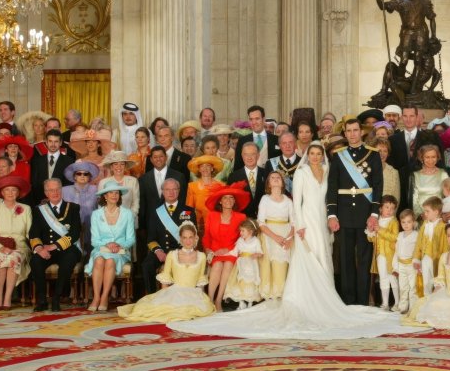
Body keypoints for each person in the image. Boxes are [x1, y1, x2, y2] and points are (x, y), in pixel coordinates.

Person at [169, 142, 429, 340]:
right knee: (310, 256)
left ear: (322, 156)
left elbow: (331, 198)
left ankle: (328, 295)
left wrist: (331, 216)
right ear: (308, 156)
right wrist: (300, 226)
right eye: (312, 154)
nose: (315, 157)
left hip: (325, 219)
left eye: (318, 154)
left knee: (325, 257)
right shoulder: (303, 172)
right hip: (307, 221)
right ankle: (307, 299)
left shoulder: (327, 170)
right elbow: (299, 201)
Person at [327, 119, 384, 306]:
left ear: (362, 132)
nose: (352, 134)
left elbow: (377, 185)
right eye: (349, 131)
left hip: (365, 213)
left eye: (355, 130)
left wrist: (374, 213)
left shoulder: (373, 155)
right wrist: (332, 214)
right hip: (343, 214)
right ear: (345, 134)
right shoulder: (338, 155)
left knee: (365, 259)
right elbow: (333, 186)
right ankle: (348, 301)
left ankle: (362, 301)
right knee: (345, 259)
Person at [118, 222, 215, 323]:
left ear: (195, 238)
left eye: (190, 237)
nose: (188, 241)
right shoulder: (172, 255)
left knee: (199, 311)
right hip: (174, 292)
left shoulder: (201, 256)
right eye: (184, 237)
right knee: (160, 310)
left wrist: (201, 298)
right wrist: (163, 297)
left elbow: (200, 282)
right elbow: (165, 278)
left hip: (194, 293)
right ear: (180, 239)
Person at [28, 179, 84, 312]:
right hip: (46, 249)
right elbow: (33, 233)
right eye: (51, 190)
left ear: (61, 190)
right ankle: (42, 299)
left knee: (68, 260)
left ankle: (56, 298)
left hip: (67, 249)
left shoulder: (73, 208)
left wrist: (55, 246)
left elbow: (75, 232)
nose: (55, 192)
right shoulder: (39, 210)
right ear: (46, 193)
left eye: (57, 189)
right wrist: (39, 248)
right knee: (35, 261)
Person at [0, 175, 33, 311]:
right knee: (4, 258)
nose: (10, 193)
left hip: (20, 247)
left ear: (18, 193)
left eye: (13, 190)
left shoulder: (26, 208)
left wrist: (35, 246)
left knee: (13, 258)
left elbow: (30, 233)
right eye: (7, 190)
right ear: (2, 193)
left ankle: (7, 297)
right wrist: (0, 248)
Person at [85, 178, 137, 312]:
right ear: (105, 196)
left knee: (110, 261)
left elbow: (131, 239)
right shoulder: (96, 215)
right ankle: (96, 297)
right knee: (99, 260)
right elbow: (94, 241)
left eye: (117, 193)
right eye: (111, 193)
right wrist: (108, 244)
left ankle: (104, 297)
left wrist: (118, 245)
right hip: (100, 249)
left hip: (120, 251)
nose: (114, 195)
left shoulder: (127, 214)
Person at [140, 177, 196, 297]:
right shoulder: (155, 212)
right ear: (163, 191)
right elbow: (151, 239)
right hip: (161, 251)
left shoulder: (188, 211)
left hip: (181, 250)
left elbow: (193, 237)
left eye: (174, 189)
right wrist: (158, 251)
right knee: (147, 264)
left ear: (179, 191)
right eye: (167, 189)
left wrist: (181, 252)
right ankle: (152, 297)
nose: (171, 192)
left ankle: (183, 296)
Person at [204, 182, 251, 309]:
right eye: (225, 198)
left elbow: (243, 239)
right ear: (220, 201)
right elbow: (207, 236)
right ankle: (209, 299)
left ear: (234, 201)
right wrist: (208, 250)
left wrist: (228, 250)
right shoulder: (212, 216)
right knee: (218, 265)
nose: (228, 200)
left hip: (232, 251)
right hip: (214, 252)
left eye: (231, 198)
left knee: (228, 264)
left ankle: (219, 300)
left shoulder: (241, 217)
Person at [257, 170, 295, 300]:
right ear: (268, 183)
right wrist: (275, 237)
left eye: (278, 177)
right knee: (271, 261)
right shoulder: (265, 199)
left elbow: (294, 222)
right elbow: (261, 222)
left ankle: (283, 291)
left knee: (283, 261)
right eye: (272, 177)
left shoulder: (288, 201)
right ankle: (271, 292)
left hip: (286, 232)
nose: (275, 179)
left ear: (283, 182)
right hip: (269, 233)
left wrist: (289, 238)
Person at [139, 145, 189, 232]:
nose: (158, 159)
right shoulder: (143, 179)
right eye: (155, 157)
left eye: (161, 156)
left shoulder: (179, 176)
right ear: (151, 159)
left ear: (166, 157)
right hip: (151, 225)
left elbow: (183, 200)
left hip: (173, 223)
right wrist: (142, 226)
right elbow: (143, 204)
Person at [224, 219, 266, 307]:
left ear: (250, 231)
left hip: (251, 264)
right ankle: (241, 301)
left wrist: (256, 254)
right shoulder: (240, 240)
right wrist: (224, 254)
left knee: (250, 282)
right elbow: (234, 252)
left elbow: (260, 252)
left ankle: (250, 301)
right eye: (240, 231)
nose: (241, 233)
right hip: (241, 264)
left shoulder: (255, 241)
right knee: (241, 280)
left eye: (243, 231)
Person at [61, 160, 100, 254]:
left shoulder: (96, 190)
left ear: (89, 176)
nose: (82, 176)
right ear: (74, 176)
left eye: (86, 174)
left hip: (91, 228)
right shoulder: (64, 190)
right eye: (79, 173)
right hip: (69, 229)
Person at [414, 196, 448, 298]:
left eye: (427, 211)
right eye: (425, 211)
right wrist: (416, 258)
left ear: (436, 212)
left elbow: (445, 247)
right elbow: (419, 243)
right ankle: (426, 301)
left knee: (436, 282)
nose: (425, 213)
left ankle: (435, 304)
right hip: (425, 258)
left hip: (437, 260)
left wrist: (444, 262)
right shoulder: (425, 224)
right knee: (426, 281)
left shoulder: (443, 227)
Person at [370, 195, 400, 311]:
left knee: (392, 277)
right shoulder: (377, 220)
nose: (389, 210)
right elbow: (374, 239)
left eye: (392, 208)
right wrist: (371, 233)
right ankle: (385, 303)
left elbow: (395, 237)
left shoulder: (394, 222)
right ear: (380, 208)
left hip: (391, 255)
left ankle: (397, 303)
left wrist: (380, 230)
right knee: (383, 278)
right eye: (387, 207)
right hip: (380, 255)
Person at [30, 129, 75, 202]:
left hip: (61, 201)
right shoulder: (36, 161)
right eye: (50, 141)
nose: (53, 145)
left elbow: (69, 184)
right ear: (46, 142)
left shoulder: (69, 161)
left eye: (56, 141)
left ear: (60, 143)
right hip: (40, 201)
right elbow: (34, 184)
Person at [227, 142, 268, 218]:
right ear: (242, 156)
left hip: (264, 218)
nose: (249, 158)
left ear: (258, 156)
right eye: (246, 154)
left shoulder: (267, 174)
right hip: (242, 218)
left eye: (253, 154)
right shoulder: (233, 176)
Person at [409, 143, 449, 214]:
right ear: (422, 158)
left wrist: (441, 214)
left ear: (437, 157)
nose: (431, 160)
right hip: (421, 215)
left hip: (439, 215)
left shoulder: (443, 174)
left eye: (433, 157)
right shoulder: (415, 175)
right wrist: (422, 214)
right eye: (427, 157)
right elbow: (414, 199)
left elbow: (448, 197)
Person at [101, 150, 140, 220]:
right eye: (115, 164)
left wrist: (129, 217)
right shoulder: (103, 182)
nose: (119, 167)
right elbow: (101, 204)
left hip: (129, 220)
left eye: (122, 164)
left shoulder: (133, 181)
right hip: (108, 222)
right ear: (111, 167)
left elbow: (136, 203)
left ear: (125, 166)